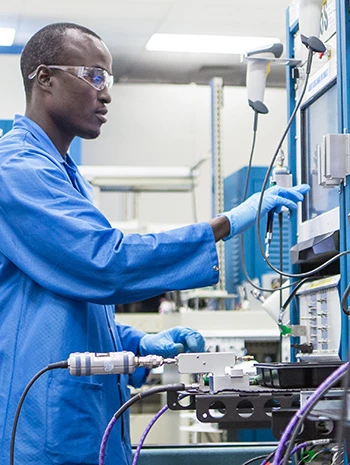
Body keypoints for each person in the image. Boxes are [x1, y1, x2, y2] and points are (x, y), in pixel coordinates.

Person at [0, 22, 309, 465]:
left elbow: (63, 309)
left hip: (78, 417)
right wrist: (226, 223)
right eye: (94, 76)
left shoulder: (66, 176)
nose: (106, 94)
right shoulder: (18, 171)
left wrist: (139, 343)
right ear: (44, 78)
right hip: (42, 426)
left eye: (110, 79)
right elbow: (104, 263)